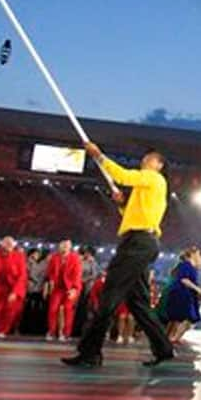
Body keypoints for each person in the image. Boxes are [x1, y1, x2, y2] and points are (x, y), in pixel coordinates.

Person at [64, 145, 174, 368]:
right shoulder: (147, 187)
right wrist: (122, 204)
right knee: (138, 302)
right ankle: (163, 348)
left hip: (137, 243)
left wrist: (99, 156)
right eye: (144, 158)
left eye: (150, 159)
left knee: (110, 295)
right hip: (141, 241)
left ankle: (90, 352)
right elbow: (133, 215)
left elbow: (122, 175)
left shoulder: (153, 178)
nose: (144, 160)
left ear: (159, 166)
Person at [164, 247, 201, 342]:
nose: (200, 256)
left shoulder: (191, 267)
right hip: (181, 294)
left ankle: (171, 338)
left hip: (186, 294)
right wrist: (198, 289)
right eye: (198, 254)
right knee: (184, 318)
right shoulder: (186, 265)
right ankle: (173, 338)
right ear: (192, 254)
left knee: (178, 319)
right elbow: (184, 279)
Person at [46, 240, 82, 341]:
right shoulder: (54, 257)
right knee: (53, 309)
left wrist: (74, 289)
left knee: (68, 309)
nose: (65, 247)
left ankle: (66, 333)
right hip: (57, 287)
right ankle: (51, 332)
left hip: (71, 287)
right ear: (59, 247)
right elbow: (50, 272)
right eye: (63, 245)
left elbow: (77, 274)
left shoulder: (75, 258)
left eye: (67, 246)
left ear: (70, 247)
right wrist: (51, 281)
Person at [22, 248, 48, 336]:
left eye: (37, 254)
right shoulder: (26, 263)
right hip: (29, 287)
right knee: (28, 308)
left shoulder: (43, 264)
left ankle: (35, 328)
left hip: (39, 288)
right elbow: (27, 274)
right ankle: (25, 328)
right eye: (34, 254)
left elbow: (45, 275)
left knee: (37, 308)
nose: (36, 256)